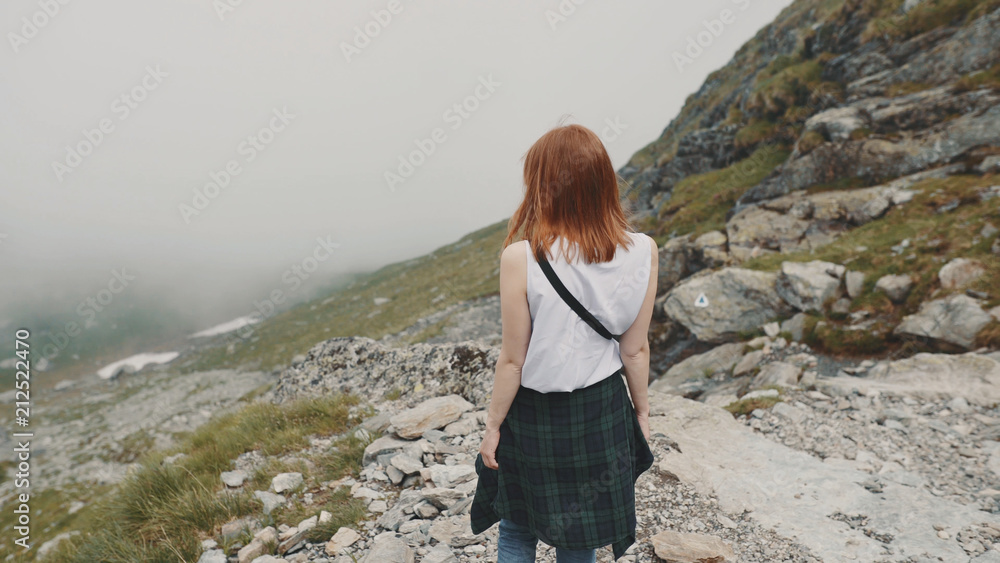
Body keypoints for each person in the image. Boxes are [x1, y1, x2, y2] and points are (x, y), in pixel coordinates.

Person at [470, 123, 657, 563]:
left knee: (517, 528)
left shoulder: (521, 257)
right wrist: (642, 413)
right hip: (602, 410)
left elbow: (513, 360)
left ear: (543, 186)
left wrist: (493, 427)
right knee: (579, 535)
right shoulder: (644, 250)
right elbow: (634, 349)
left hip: (533, 413)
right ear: (603, 181)